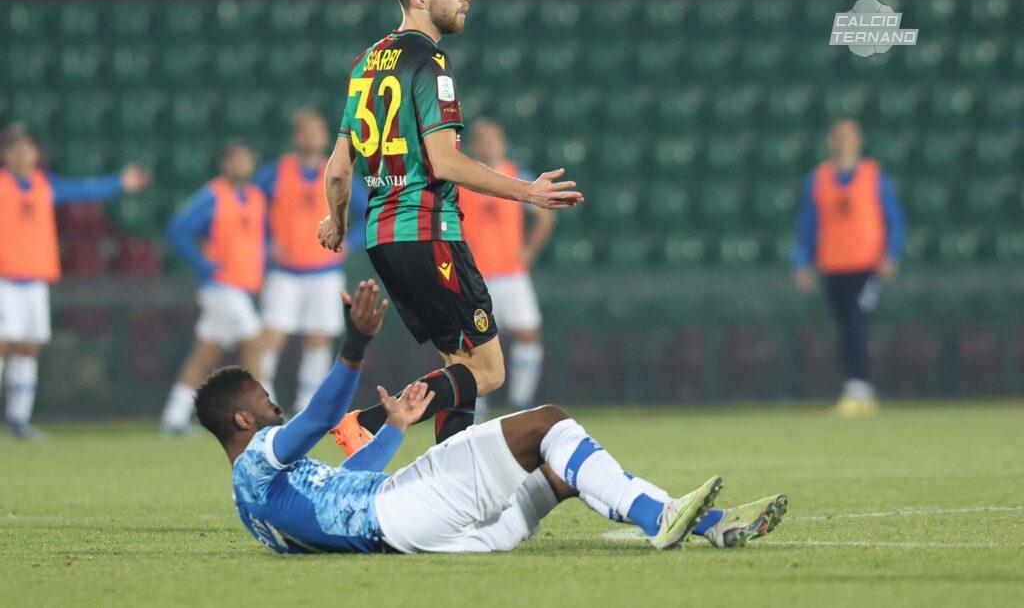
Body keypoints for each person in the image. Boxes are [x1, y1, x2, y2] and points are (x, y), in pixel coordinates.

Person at [196, 280, 788, 554]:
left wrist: (396, 428)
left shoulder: (255, 509)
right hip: (405, 514)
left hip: (430, 536)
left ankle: (707, 526)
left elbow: (347, 491)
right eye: (264, 402)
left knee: (561, 472)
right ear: (242, 423)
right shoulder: (254, 464)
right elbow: (321, 413)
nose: (274, 408)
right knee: (548, 423)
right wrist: (354, 346)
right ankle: (665, 523)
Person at [317, 0, 584, 454]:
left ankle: (452, 490)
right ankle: (368, 424)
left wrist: (335, 220)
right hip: (428, 230)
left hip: (382, 237)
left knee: (459, 367)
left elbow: (337, 170)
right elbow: (445, 162)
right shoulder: (430, 62)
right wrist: (527, 192)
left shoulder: (365, 64)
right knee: (490, 371)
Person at [0, 123, 150, 439]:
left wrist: (120, 182)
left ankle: (18, 419)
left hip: (35, 280)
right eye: (15, 149)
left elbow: (84, 189)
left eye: (28, 148)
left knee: (29, 347)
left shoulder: (44, 184)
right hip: (5, 279)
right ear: (5, 155)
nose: (23, 154)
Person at [253, 109, 369, 413]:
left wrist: (350, 241)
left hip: (324, 270)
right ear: (296, 137)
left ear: (325, 137)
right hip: (285, 271)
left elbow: (370, 212)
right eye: (305, 131)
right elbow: (251, 209)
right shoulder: (276, 172)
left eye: (316, 131)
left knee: (318, 338)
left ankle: (308, 405)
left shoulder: (338, 173)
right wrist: (265, 243)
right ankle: (265, 403)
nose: (311, 137)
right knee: (272, 337)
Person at [793, 119, 908, 417]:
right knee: (845, 328)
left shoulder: (873, 176)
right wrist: (802, 262)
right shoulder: (818, 179)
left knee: (858, 323)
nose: (843, 142)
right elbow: (807, 224)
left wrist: (890, 255)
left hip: (865, 266)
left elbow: (893, 219)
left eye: (849, 136)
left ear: (859, 141)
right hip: (833, 266)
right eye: (838, 137)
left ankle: (860, 387)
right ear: (831, 142)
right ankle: (855, 387)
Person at [160, 143, 266, 434]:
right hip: (221, 286)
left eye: (246, 159)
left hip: (241, 286)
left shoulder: (255, 197)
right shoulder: (213, 196)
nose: (242, 165)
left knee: (205, 353)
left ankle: (173, 417)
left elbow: (252, 241)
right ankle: (267, 415)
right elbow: (178, 229)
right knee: (255, 341)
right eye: (236, 159)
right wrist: (204, 264)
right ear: (225, 164)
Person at [460, 119, 554, 418]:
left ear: (502, 142)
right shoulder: (463, 177)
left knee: (527, 334)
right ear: (475, 145)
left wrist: (529, 250)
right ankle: (478, 403)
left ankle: (520, 401)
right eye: (482, 139)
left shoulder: (518, 175)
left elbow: (544, 215)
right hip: (476, 274)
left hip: (511, 273)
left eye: (492, 138)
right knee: (476, 342)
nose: (488, 144)